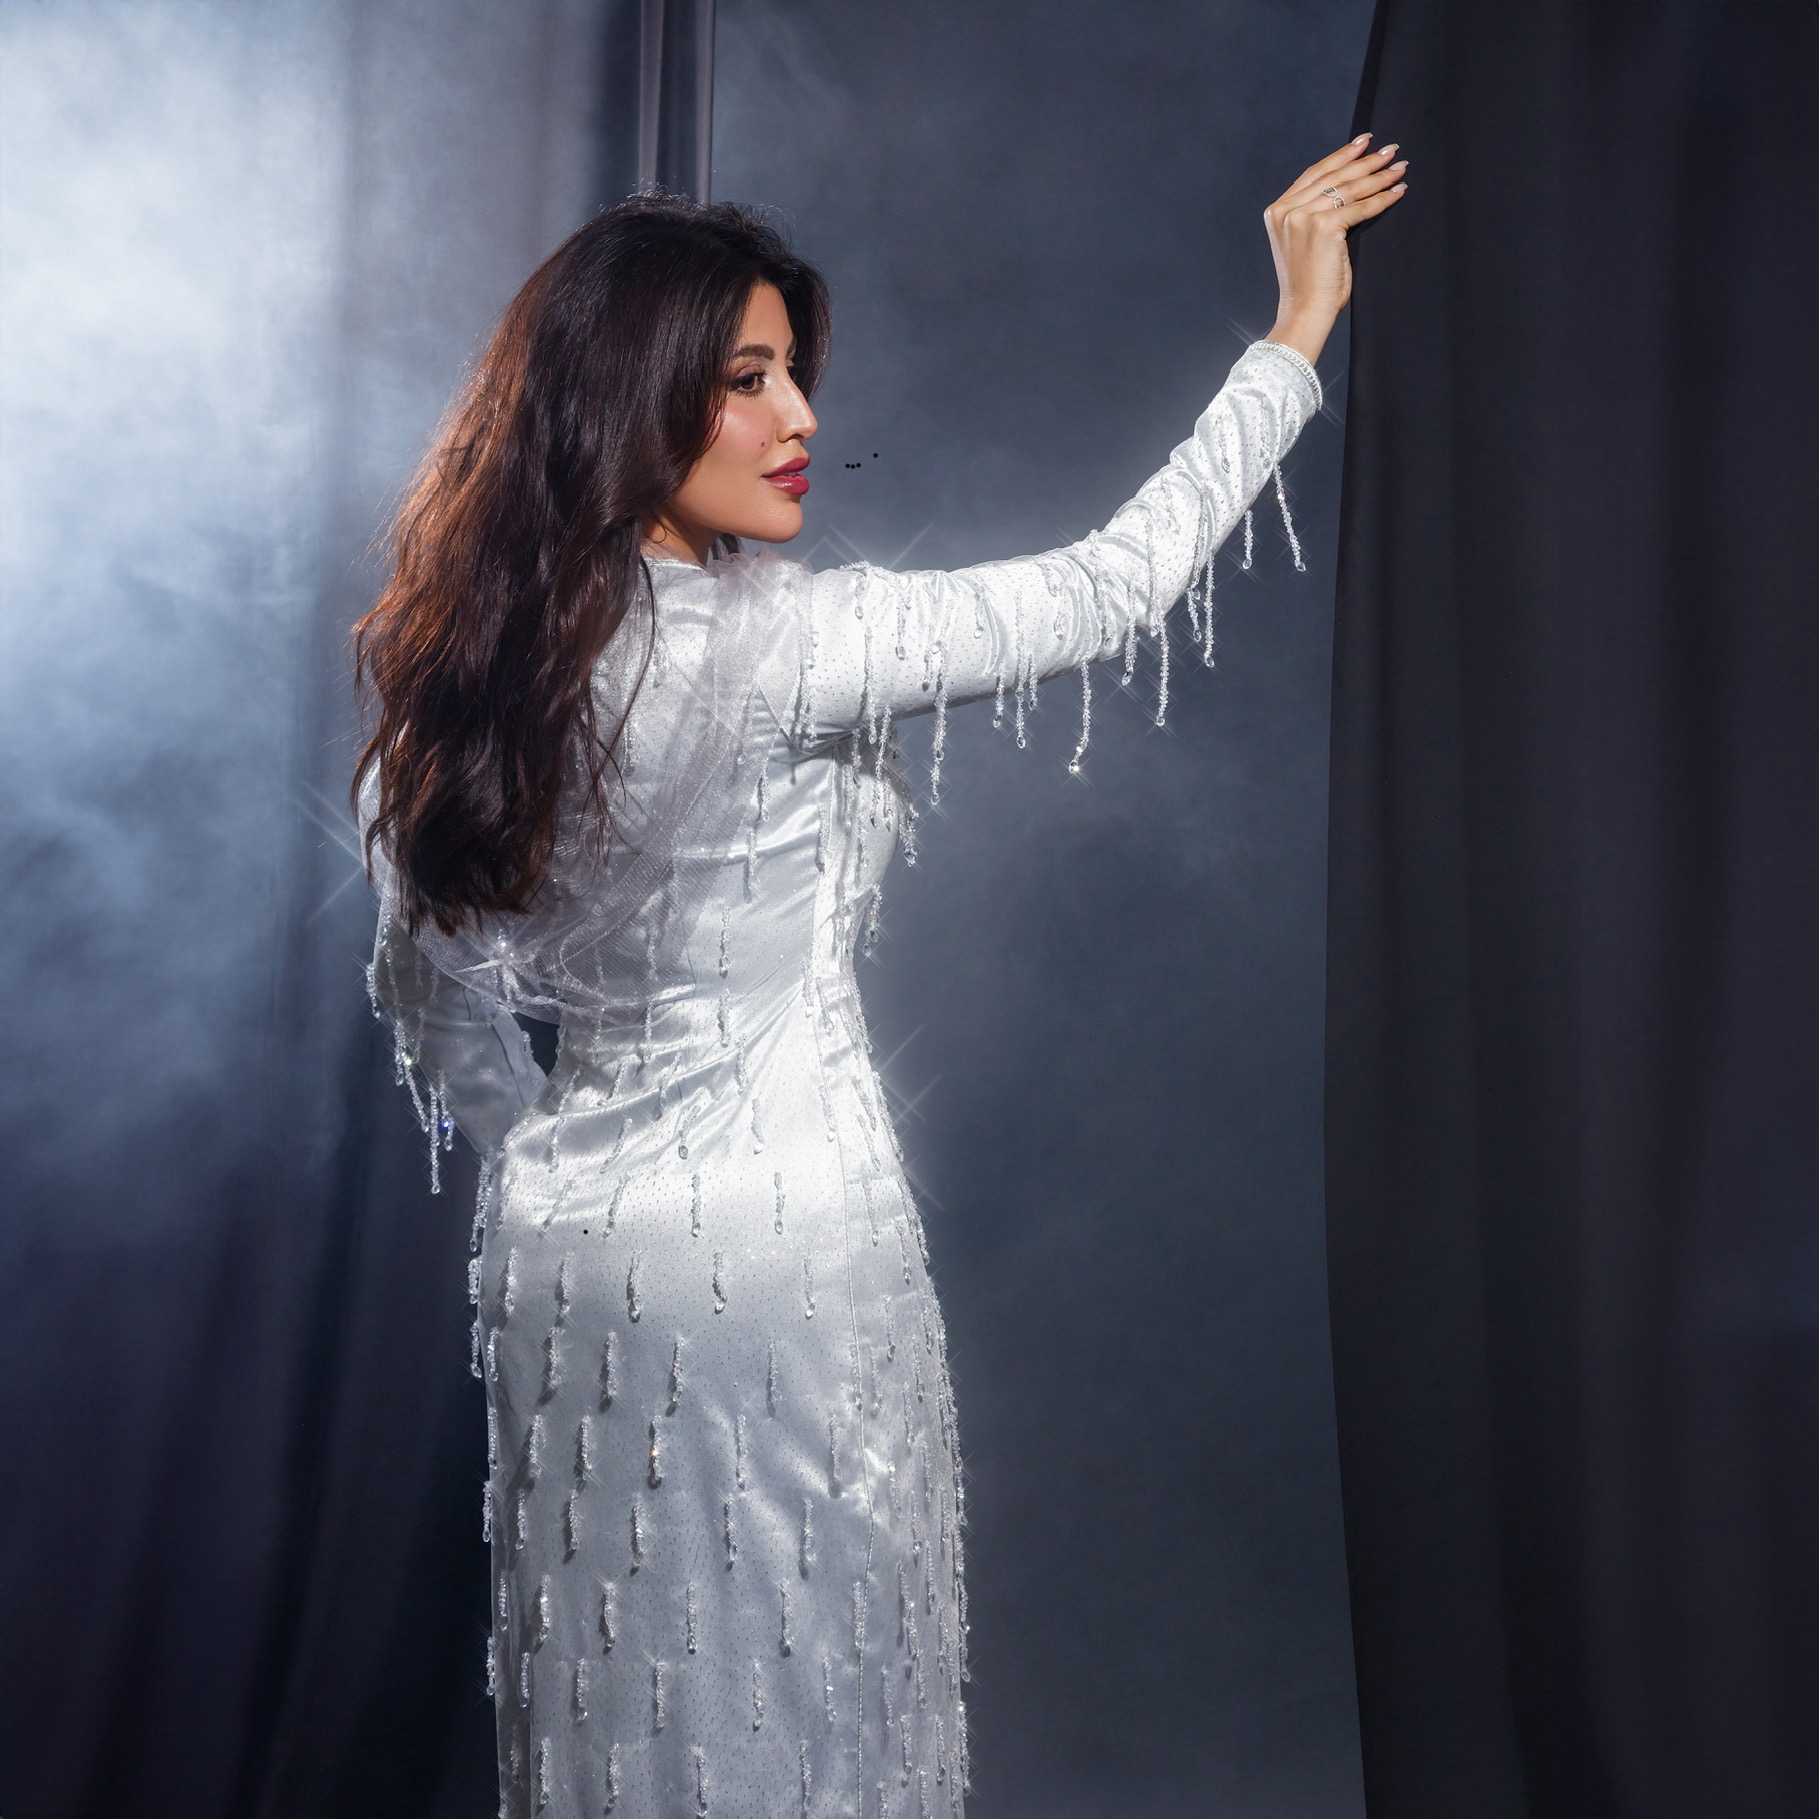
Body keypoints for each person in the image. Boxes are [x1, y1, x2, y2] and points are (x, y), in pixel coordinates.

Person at [355, 135, 1407, 1819]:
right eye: (747, 380)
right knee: (810, 1700)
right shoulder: (794, 646)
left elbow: (428, 1002)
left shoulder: (461, 674)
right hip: (782, 1250)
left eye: (795, 375)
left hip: (565, 1263)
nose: (801, 421)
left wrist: (556, 1157)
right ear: (628, 399)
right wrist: (1292, 337)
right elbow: (1114, 591)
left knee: (625, 1710)